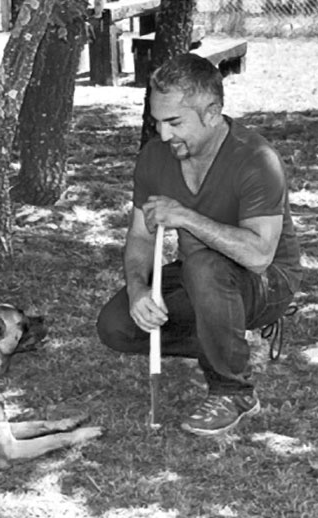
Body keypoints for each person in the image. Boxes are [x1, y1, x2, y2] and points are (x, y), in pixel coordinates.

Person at [96, 53, 302, 436]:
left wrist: (186, 217)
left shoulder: (256, 159)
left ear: (211, 112)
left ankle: (232, 390)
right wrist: (140, 289)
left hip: (268, 281)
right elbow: (141, 235)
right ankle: (226, 339)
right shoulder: (156, 157)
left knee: (205, 266)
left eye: (175, 123)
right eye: (156, 122)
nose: (163, 135)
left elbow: (259, 256)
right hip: (202, 276)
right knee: (117, 326)